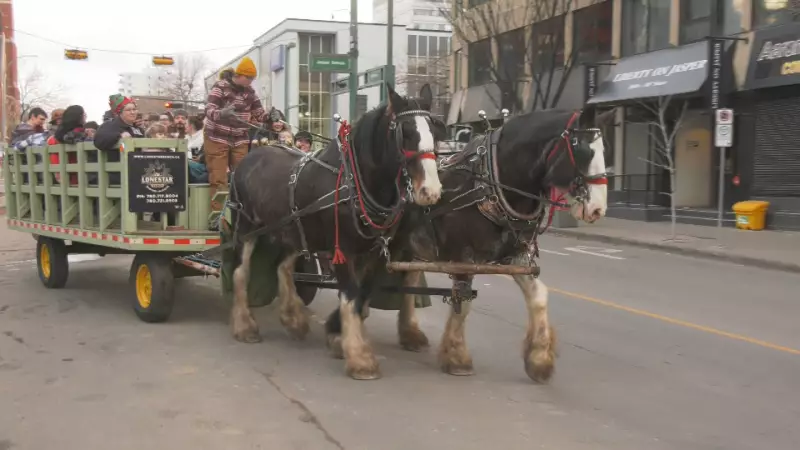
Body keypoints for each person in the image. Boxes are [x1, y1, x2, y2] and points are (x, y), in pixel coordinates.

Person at [204, 56, 266, 218]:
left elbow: (259, 113)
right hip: (216, 137)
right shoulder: (220, 87)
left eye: (252, 79)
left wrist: (270, 117)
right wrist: (221, 113)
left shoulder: (250, 92)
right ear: (240, 75)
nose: (251, 82)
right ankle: (218, 217)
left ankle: (242, 215)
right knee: (219, 179)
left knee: (243, 176)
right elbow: (209, 110)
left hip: (239, 139)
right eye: (249, 78)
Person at [94, 94, 144, 184]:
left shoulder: (138, 129)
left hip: (137, 170)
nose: (133, 112)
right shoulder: (110, 125)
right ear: (120, 112)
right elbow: (98, 141)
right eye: (128, 110)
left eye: (134, 109)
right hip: (117, 173)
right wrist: (119, 135)